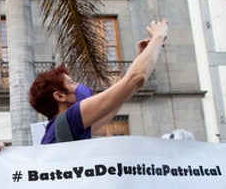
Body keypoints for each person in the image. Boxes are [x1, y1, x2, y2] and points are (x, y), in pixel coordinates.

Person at [29, 20, 169, 144]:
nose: (80, 86)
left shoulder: (63, 129)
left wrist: (141, 58)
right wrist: (158, 36)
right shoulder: (71, 118)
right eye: (73, 83)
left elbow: (113, 107)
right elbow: (136, 78)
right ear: (60, 96)